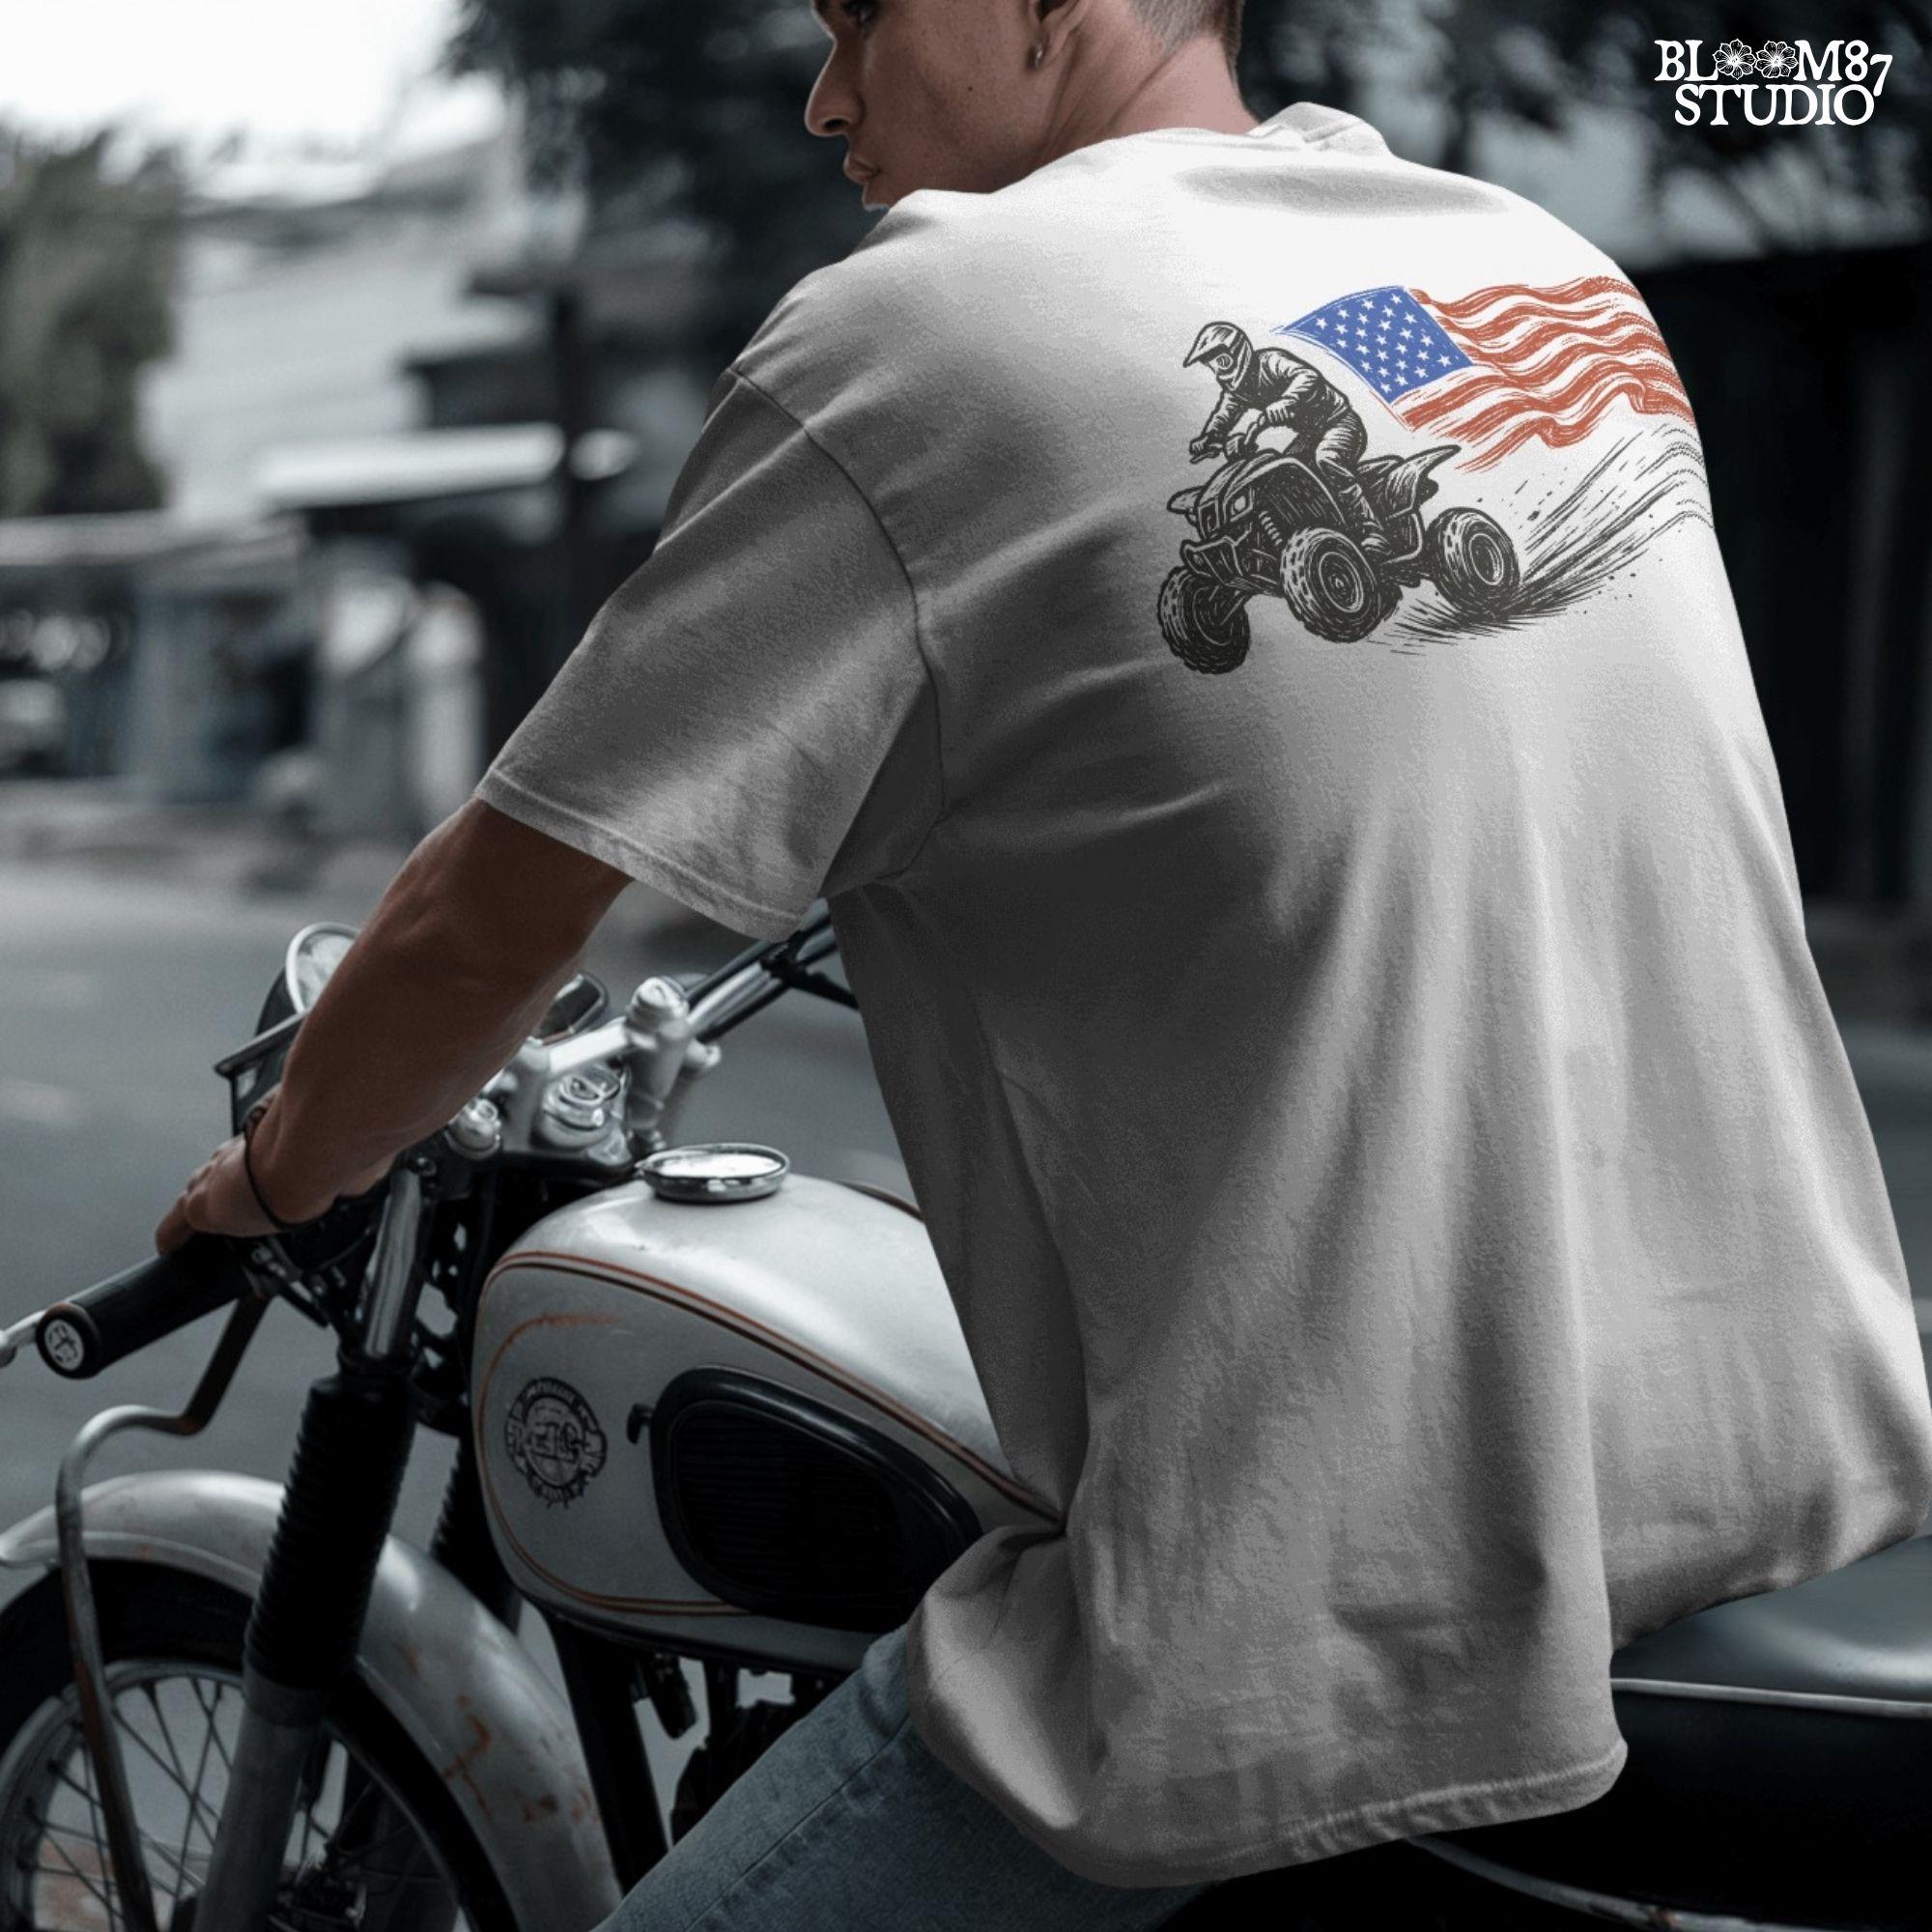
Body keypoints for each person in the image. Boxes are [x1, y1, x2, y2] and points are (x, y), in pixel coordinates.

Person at [157, 0, 1932, 1924]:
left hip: (1331, 1611)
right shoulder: (1533, 267)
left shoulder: (925, 332)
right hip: (1750, 1472)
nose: (826, 95)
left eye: (858, 18)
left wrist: (276, 1175)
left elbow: (491, 914)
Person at [1183, 321, 1391, 559]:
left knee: (1328, 458)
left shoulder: (1270, 362)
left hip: (1339, 422)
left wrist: (1287, 400)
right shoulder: (1237, 389)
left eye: (1222, 361)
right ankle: (1315, 533)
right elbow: (1225, 413)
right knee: (1287, 476)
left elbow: (1307, 376)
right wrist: (1210, 437)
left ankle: (1373, 531)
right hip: (1310, 435)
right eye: (1212, 365)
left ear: (1236, 352)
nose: (1219, 370)